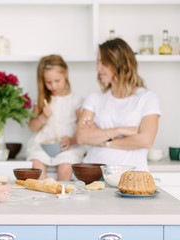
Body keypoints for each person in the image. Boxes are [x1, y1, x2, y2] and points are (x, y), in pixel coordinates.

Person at [76, 38, 161, 171]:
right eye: (98, 62)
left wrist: (102, 139)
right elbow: (81, 137)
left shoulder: (147, 98)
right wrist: (120, 130)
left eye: (103, 63)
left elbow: (146, 140)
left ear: (119, 63)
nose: (97, 68)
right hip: (93, 175)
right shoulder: (94, 98)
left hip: (132, 177)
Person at [26, 55, 85, 181]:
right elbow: (32, 126)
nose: (53, 86)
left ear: (65, 74)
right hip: (43, 146)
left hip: (67, 147)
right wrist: (43, 117)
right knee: (37, 166)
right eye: (48, 82)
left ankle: (60, 198)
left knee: (65, 167)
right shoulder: (42, 99)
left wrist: (72, 140)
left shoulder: (76, 100)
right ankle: (45, 195)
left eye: (57, 81)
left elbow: (82, 130)